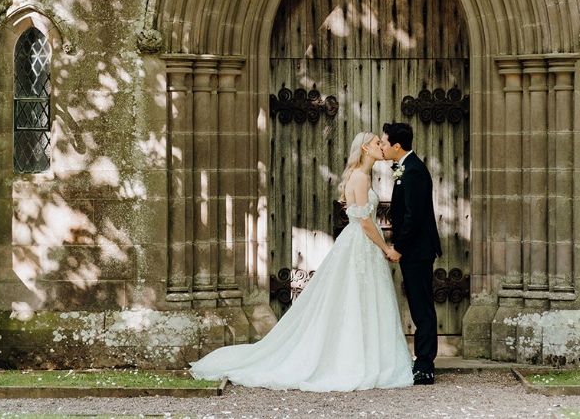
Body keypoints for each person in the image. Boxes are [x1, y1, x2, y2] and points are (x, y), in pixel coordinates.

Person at [189, 132, 414, 391]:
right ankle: (355, 360)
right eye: (377, 143)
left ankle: (363, 356)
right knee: (356, 298)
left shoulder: (361, 176)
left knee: (358, 299)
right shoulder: (361, 178)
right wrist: (386, 246)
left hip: (358, 246)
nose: (381, 146)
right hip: (360, 244)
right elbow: (365, 222)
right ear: (365, 148)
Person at [381, 122, 443, 386]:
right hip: (413, 251)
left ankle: (425, 367)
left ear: (397, 145)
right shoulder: (406, 168)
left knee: (422, 309)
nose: (382, 147)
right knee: (419, 306)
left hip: (417, 251)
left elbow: (414, 217)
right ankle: (422, 363)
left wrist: (399, 248)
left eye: (384, 143)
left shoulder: (414, 171)